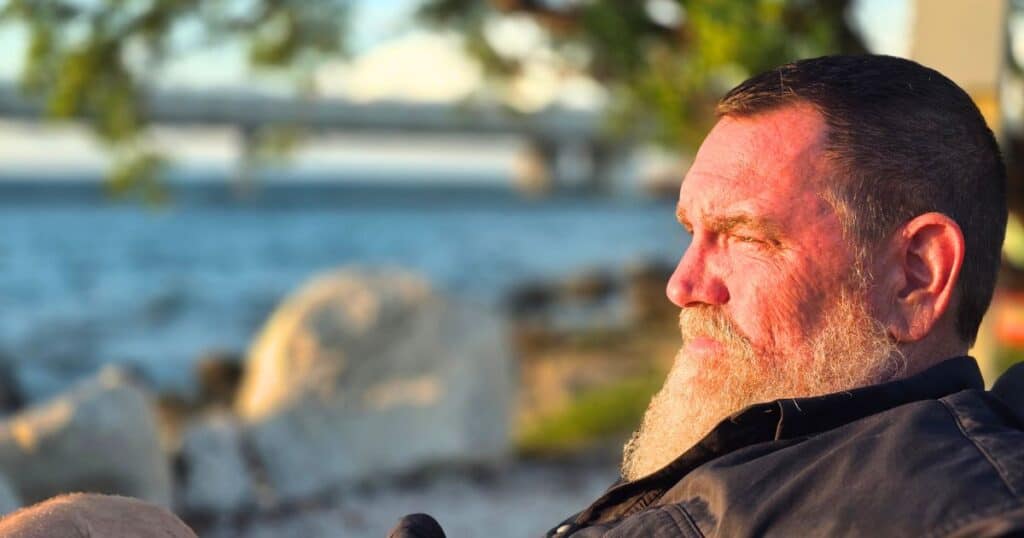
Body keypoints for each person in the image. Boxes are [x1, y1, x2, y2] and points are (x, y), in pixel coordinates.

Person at [391, 55, 1024, 537]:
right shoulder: (781, 453)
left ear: (916, 275)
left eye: (745, 236)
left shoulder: (969, 514)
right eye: (691, 233)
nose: (681, 285)